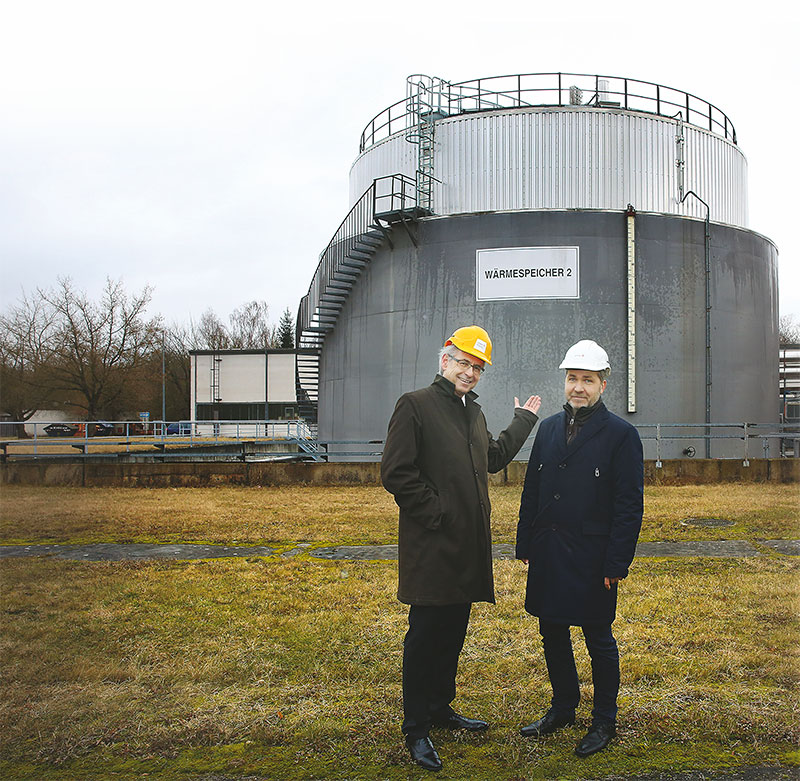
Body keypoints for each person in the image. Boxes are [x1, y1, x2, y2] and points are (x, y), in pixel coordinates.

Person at [381, 325, 541, 772]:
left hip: (467, 548)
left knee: (453, 633)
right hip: (433, 546)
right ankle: (416, 728)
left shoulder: (473, 413)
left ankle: (440, 708)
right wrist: (439, 513)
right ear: (444, 359)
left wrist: (522, 422)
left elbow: (490, 458)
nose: (469, 372)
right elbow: (397, 472)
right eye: (463, 362)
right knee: (425, 637)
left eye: (477, 367)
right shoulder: (414, 405)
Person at [516, 339, 643, 757]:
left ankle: (604, 720)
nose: (578, 387)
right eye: (572, 379)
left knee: (598, 638)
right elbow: (532, 487)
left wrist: (617, 562)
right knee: (551, 630)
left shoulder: (622, 435)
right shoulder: (549, 427)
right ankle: (563, 707)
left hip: (593, 558)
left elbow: (629, 504)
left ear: (603, 385)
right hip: (549, 550)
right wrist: (525, 542)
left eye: (587, 380)